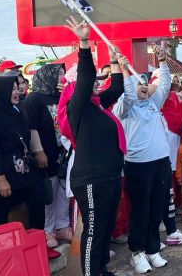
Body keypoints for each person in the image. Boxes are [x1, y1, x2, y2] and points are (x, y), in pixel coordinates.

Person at [60, 18, 126, 276]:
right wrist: (84, 42)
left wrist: (114, 60)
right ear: (77, 88)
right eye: (92, 82)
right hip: (90, 179)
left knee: (105, 228)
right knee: (93, 230)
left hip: (109, 176)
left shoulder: (97, 104)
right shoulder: (77, 108)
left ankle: (100, 270)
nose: (97, 84)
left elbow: (117, 87)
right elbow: (86, 77)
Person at [114, 43, 179, 273]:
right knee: (140, 210)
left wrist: (162, 63)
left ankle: (152, 249)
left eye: (144, 83)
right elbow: (129, 94)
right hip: (138, 166)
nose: (142, 87)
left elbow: (165, 85)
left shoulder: (153, 103)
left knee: (155, 208)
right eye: (137, 83)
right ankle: (137, 252)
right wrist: (124, 71)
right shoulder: (124, 107)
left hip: (160, 162)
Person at [20, 64, 71, 248]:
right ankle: (48, 229)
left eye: (63, 74)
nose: (61, 77)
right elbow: (32, 128)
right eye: (58, 74)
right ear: (46, 75)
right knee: (49, 192)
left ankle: (62, 226)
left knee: (64, 191)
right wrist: (39, 151)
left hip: (64, 152)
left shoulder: (63, 95)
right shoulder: (34, 99)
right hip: (46, 152)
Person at [0, 75, 48, 232]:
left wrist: (39, 152)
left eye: (16, 88)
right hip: (6, 172)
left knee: (38, 203)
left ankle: (37, 243)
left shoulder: (16, 110)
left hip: (25, 169)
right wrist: (0, 179)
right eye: (11, 89)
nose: (17, 91)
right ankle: (5, 251)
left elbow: (28, 132)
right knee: (1, 215)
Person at [151, 68, 182, 247]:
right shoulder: (150, 104)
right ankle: (158, 224)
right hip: (153, 152)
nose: (165, 90)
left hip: (170, 142)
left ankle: (170, 224)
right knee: (158, 187)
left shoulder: (173, 97)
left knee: (169, 182)